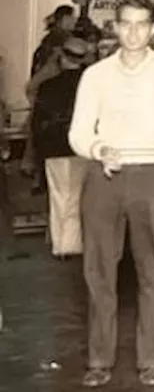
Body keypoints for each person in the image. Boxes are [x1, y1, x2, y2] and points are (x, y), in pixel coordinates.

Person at [68, 0, 154, 388]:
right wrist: (97, 149)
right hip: (104, 177)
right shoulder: (96, 75)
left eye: (142, 24)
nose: (134, 32)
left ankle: (152, 360)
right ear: (115, 27)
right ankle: (99, 359)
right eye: (126, 24)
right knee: (98, 272)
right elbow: (77, 132)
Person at [31, 37, 93, 259]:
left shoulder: (48, 87)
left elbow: (37, 123)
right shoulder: (90, 85)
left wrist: (37, 153)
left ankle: (62, 245)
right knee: (81, 195)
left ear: (62, 57)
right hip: (83, 147)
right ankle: (79, 242)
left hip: (54, 147)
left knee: (59, 195)